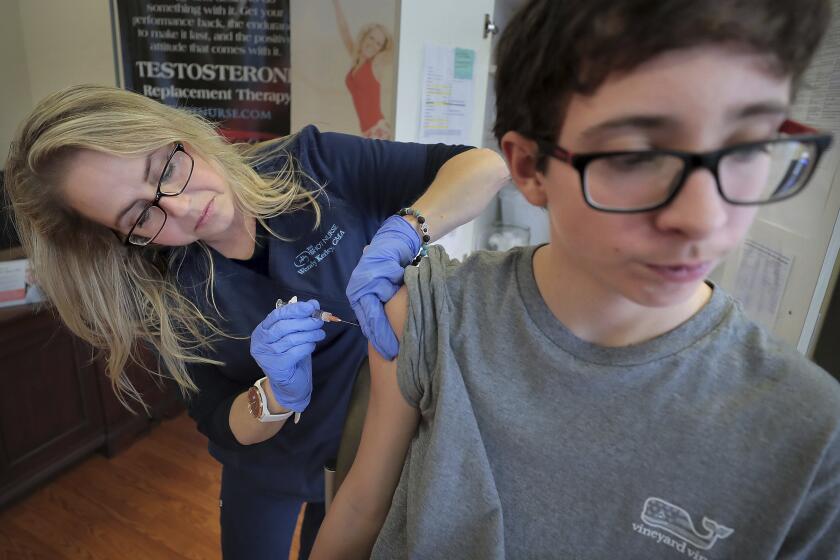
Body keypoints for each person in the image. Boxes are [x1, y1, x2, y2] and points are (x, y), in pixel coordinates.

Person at [311, 0, 840, 558]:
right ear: (529, 169)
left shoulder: (809, 438)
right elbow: (361, 509)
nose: (704, 219)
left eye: (749, 146)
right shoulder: (431, 316)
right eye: (637, 155)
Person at [3, 84, 508, 559]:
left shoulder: (312, 164)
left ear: (178, 132)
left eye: (166, 167)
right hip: (266, 463)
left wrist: (408, 229)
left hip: (366, 441)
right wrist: (275, 397)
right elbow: (216, 419)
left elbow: (483, 167)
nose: (182, 207)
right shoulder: (159, 290)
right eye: (139, 217)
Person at [332, 0, 394, 139]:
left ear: (381, 49)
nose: (373, 44)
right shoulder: (356, 59)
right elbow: (344, 30)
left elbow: (393, 50)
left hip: (379, 131)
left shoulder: (376, 65)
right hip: (366, 133)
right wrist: (336, 4)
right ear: (365, 36)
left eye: (378, 43)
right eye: (371, 38)